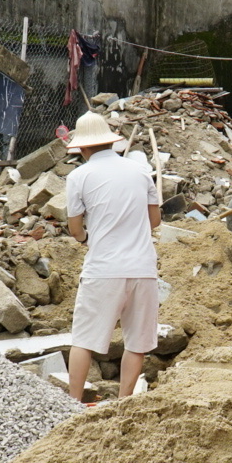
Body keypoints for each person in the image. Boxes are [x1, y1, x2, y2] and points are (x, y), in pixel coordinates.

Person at [63, 111, 161, 401]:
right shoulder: (140, 171)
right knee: (137, 343)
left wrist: (85, 238)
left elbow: (75, 227)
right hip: (143, 269)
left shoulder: (78, 176)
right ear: (110, 142)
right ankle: (123, 404)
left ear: (82, 148)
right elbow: (154, 221)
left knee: (83, 340)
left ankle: (72, 404)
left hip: (103, 269)